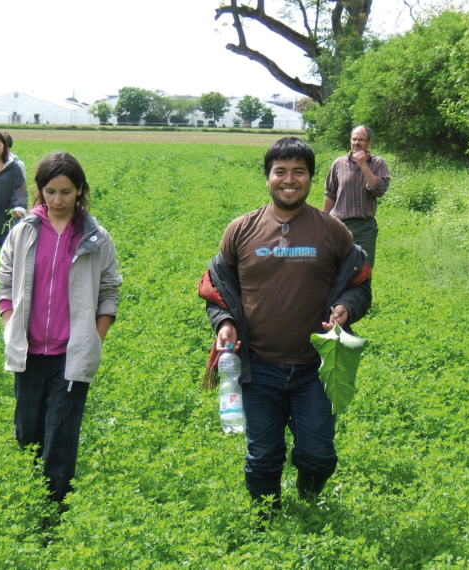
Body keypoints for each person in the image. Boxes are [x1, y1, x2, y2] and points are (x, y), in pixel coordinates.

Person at [198, 137, 372, 525]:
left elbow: (359, 284)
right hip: (258, 367)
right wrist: (224, 322)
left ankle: (308, 498)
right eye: (281, 171)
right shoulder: (240, 230)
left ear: (311, 178)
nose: (289, 180)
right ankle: (266, 522)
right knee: (263, 455)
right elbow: (215, 289)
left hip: (316, 370)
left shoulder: (333, 231)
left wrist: (347, 307)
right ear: (267, 178)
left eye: (299, 172)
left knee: (319, 455)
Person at [0, 151, 122, 505]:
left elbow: (110, 290)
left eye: (66, 191)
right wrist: (10, 325)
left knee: (60, 437)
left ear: (80, 190)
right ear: (40, 191)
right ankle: (29, 500)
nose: (58, 200)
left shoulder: (96, 238)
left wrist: (94, 338)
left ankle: (55, 511)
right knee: (27, 432)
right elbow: (4, 283)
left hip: (71, 353)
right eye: (50, 191)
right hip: (29, 350)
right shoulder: (23, 233)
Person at [323, 125, 391, 267]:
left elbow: (379, 191)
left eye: (361, 140)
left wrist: (363, 166)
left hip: (365, 228)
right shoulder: (339, 163)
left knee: (363, 271)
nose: (357, 143)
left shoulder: (378, 163)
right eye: (354, 139)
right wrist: (323, 220)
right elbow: (330, 194)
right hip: (340, 225)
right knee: (336, 269)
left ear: (369, 142)